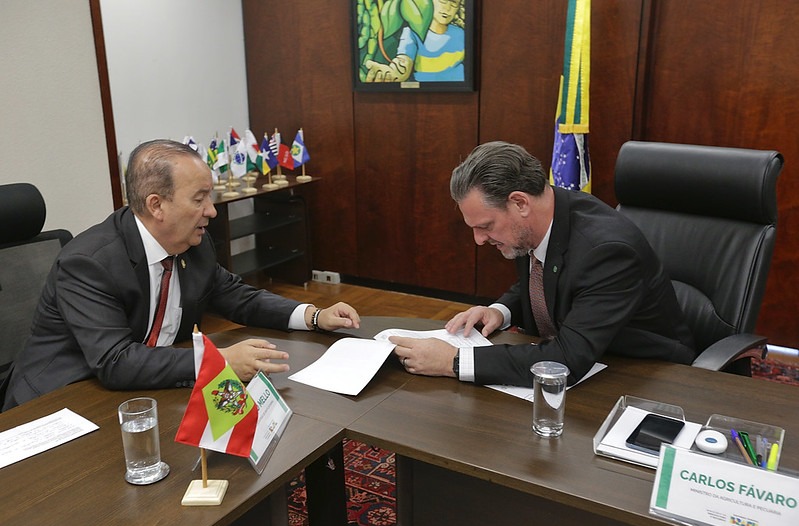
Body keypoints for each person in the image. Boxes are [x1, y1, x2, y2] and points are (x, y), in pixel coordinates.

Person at [2, 139, 360, 410]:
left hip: (146, 388)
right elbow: (116, 362)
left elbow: (237, 296)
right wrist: (217, 361)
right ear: (157, 205)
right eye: (200, 199)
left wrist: (313, 316)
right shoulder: (88, 263)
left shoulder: (193, 244)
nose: (211, 211)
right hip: (64, 402)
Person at [389, 141, 695, 387]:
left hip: (648, 376)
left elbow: (566, 361)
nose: (479, 240)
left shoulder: (607, 252)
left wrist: (453, 362)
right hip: (589, 355)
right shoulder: (544, 217)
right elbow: (544, 279)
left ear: (520, 202)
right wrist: (500, 310)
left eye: (485, 226)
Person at [365, 0, 465, 83]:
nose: (447, 9)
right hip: (425, 95)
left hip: (461, 95)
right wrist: (392, 73)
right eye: (442, 1)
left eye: (453, 3)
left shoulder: (461, 34)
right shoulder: (411, 33)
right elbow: (404, 61)